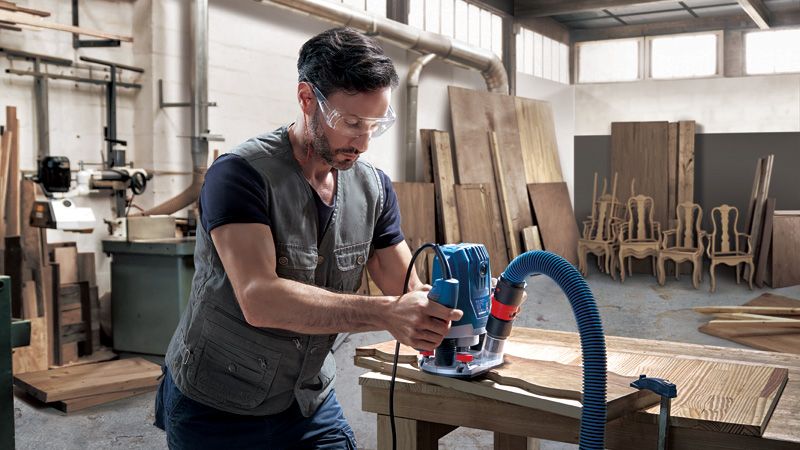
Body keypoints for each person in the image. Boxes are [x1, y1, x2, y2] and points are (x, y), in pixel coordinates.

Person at [154, 27, 463, 449]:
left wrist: (450, 313)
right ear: (306, 99)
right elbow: (259, 298)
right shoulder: (241, 175)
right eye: (351, 122)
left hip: (306, 398)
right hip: (217, 403)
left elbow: (404, 288)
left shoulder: (372, 188)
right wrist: (387, 314)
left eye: (375, 124)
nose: (364, 141)